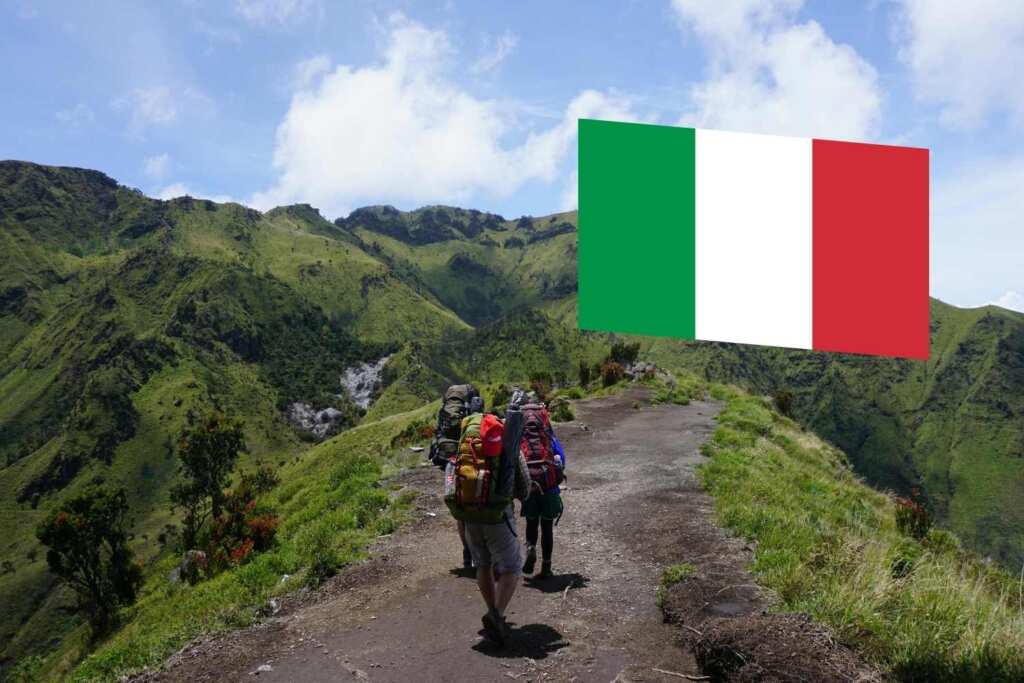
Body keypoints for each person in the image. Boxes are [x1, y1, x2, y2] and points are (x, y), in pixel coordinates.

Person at [445, 400, 531, 646]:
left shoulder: (465, 447)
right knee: (512, 566)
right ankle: (497, 614)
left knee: (482, 563)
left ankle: (492, 610)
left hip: (470, 515)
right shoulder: (507, 444)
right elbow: (524, 487)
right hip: (497, 515)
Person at [511, 391, 565, 579]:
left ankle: (531, 548)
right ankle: (547, 567)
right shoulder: (548, 434)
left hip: (530, 483)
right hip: (548, 485)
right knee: (547, 526)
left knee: (531, 522)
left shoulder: (521, 436)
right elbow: (561, 457)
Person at [428, 385, 483, 569]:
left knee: (460, 509)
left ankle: (467, 552)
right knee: (475, 504)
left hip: (450, 460)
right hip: (468, 460)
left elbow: (438, 431)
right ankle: (479, 551)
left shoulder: (446, 409)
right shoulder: (472, 408)